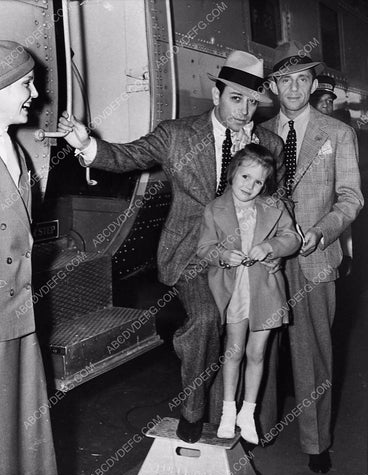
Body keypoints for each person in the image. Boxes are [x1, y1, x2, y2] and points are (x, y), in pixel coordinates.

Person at [58, 50, 284, 443]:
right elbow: (125, 155)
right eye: (236, 98)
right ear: (216, 96)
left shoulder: (270, 144)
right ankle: (194, 410)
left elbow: (276, 205)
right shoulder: (176, 134)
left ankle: (237, 416)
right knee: (206, 320)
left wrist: (275, 250)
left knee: (253, 338)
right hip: (192, 253)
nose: (245, 110)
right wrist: (86, 145)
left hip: (247, 258)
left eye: (252, 101)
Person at [262, 41, 364, 473]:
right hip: (263, 259)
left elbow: (351, 198)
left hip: (314, 257)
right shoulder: (259, 132)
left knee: (313, 353)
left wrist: (321, 234)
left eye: (303, 79)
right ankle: (258, 428)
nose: (294, 87)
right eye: (285, 79)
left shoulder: (338, 132)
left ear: (314, 83)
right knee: (258, 350)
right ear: (271, 86)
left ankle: (316, 443)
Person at [197, 144, 300, 443]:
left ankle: (248, 413)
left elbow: (291, 237)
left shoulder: (273, 207)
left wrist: (270, 247)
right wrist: (222, 255)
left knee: (257, 354)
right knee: (234, 351)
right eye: (245, 177)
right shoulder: (213, 209)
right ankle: (229, 411)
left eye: (258, 182)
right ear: (232, 174)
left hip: (265, 291)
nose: (249, 186)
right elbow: (204, 248)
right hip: (233, 291)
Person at [0, 40, 58, 475]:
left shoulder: (15, 151)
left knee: (21, 435)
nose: (34, 95)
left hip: (19, 316)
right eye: (25, 85)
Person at [311, 75, 353, 275]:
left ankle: (347, 260)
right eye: (322, 102)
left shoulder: (340, 132)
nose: (327, 106)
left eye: (330, 102)